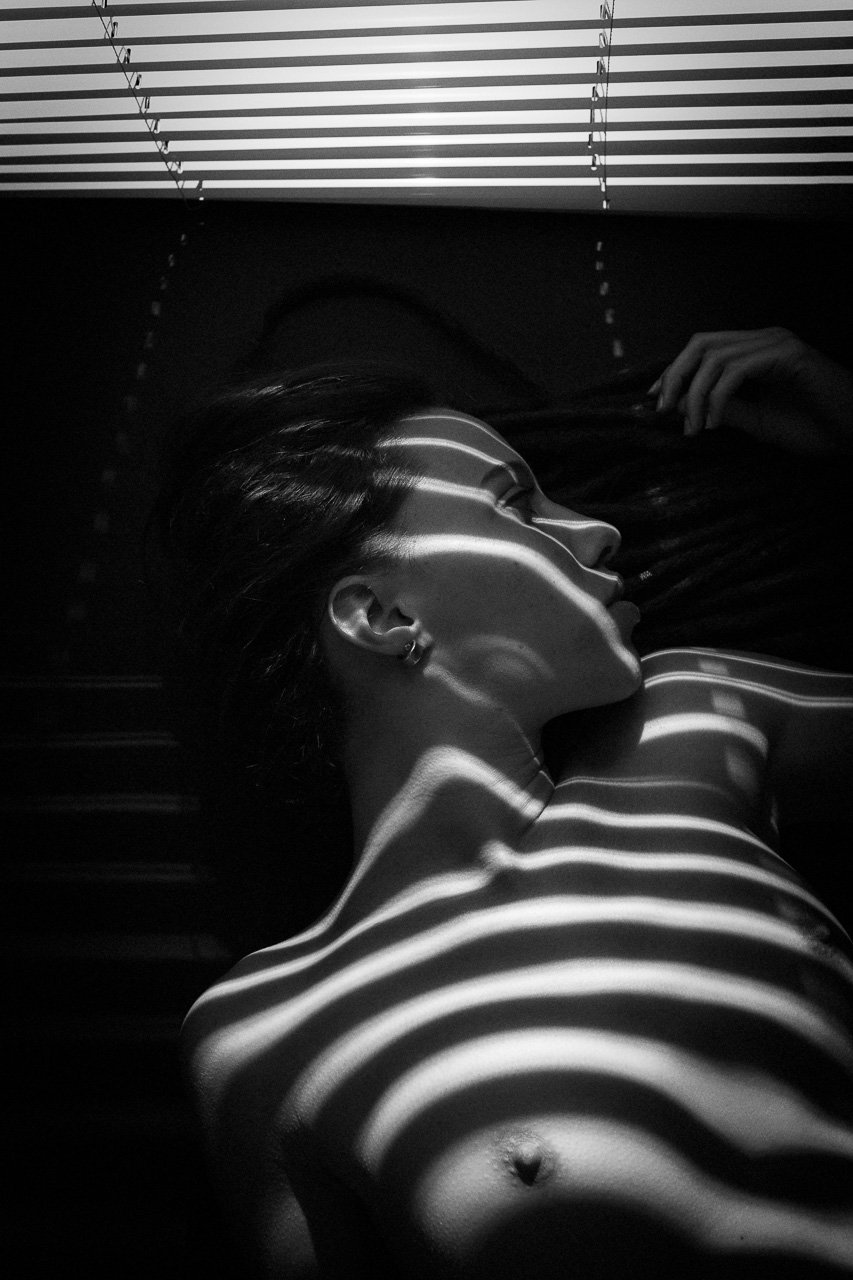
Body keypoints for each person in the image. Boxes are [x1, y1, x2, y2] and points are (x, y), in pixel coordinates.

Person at [157, 329, 853, 1278]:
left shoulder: (692, 726)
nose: (597, 529)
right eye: (517, 503)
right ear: (383, 617)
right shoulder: (265, 1031)